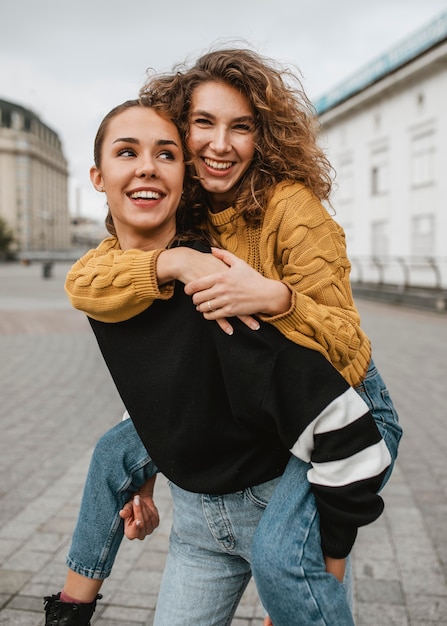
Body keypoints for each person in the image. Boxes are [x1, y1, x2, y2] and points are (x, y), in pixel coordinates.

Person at [63, 47, 402, 623]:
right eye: (204, 123)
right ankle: (69, 606)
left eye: (240, 127)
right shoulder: (182, 210)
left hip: (343, 403)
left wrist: (279, 299)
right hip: (258, 398)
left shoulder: (290, 208)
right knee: (114, 451)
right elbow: (103, 290)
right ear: (181, 130)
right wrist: (170, 267)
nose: (221, 144)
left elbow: (347, 344)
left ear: (261, 137)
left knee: (281, 560)